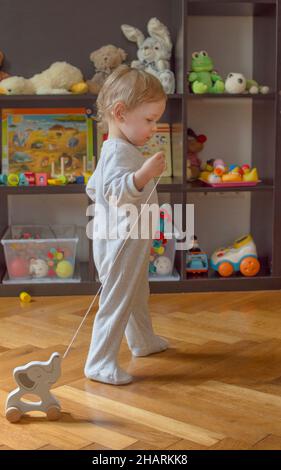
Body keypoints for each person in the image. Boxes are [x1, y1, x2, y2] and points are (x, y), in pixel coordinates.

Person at [85, 65, 169, 385]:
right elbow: (115, 194)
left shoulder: (115, 149)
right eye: (149, 119)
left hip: (131, 239)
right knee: (118, 300)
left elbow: (94, 187)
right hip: (120, 243)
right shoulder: (119, 152)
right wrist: (142, 175)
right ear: (120, 113)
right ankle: (99, 361)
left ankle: (142, 340)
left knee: (136, 294)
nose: (155, 127)